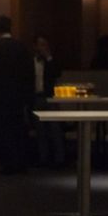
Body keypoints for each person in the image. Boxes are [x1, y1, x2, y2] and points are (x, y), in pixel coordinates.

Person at [0, 15, 35, 174]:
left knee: (4, 130)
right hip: (18, 94)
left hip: (1, 95)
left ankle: (8, 163)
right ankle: (22, 162)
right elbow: (29, 72)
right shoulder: (21, 46)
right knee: (18, 128)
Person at [33, 35, 65, 167]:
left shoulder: (51, 61)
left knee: (55, 129)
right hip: (36, 97)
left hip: (50, 97)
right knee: (40, 130)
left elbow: (57, 73)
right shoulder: (32, 61)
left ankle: (59, 159)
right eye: (40, 44)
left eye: (44, 44)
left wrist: (49, 57)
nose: (42, 47)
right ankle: (43, 158)